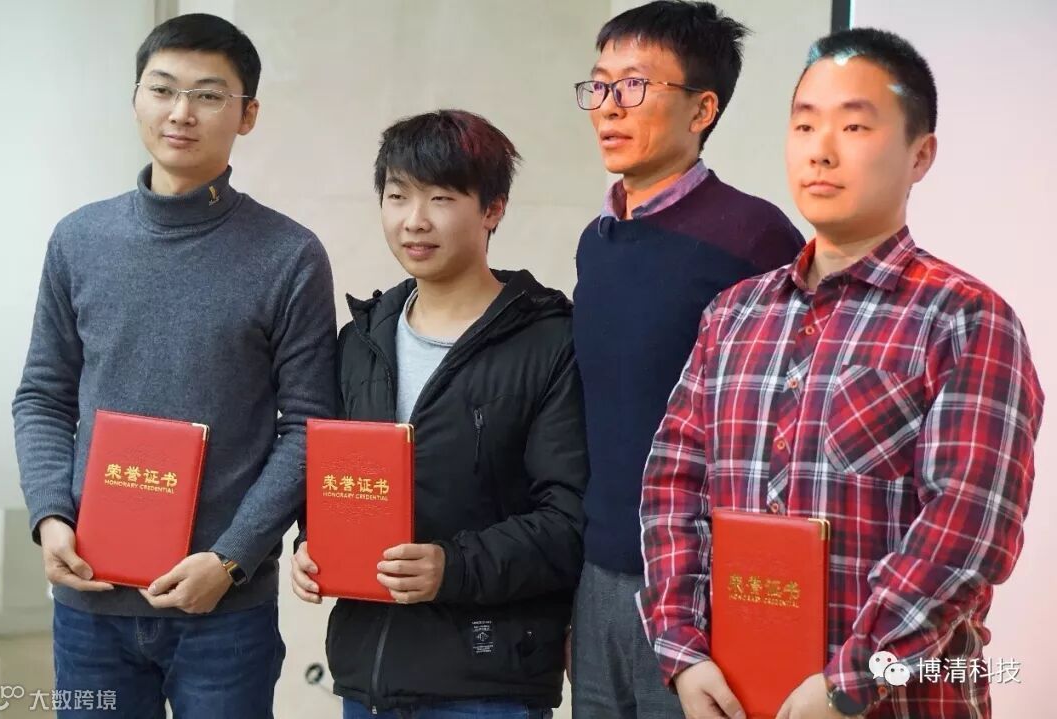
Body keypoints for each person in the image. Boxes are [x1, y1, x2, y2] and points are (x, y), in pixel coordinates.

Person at [639, 27, 1043, 719]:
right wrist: (682, 649)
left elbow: (967, 531)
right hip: (736, 694)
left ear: (921, 155)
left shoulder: (965, 317)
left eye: (854, 126)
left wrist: (848, 682)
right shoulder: (733, 315)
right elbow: (673, 483)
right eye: (804, 124)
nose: (820, 149)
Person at [12, 14, 337, 718]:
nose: (181, 112)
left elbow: (309, 426)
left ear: (247, 114)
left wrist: (230, 558)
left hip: (224, 610)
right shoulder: (79, 239)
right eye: (162, 89)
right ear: (136, 99)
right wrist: (50, 515)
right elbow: (42, 396)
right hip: (90, 603)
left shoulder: (290, 255)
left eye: (208, 95)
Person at [290, 109, 588, 718]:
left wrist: (451, 567)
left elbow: (570, 518)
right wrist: (310, 543)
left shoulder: (552, 342)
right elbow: (331, 480)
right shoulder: (361, 341)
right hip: (367, 677)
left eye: (441, 198)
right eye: (397, 196)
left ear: (493, 209)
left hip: (487, 681)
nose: (414, 220)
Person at [569, 2, 804, 716]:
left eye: (635, 85)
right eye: (599, 84)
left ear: (703, 109)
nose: (608, 105)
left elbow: (789, 432)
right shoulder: (597, 239)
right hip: (598, 576)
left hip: (704, 588)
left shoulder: (755, 238)